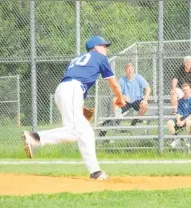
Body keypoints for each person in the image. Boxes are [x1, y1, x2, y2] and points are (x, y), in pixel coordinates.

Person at [20, 36, 126, 180]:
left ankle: (95, 172)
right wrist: (120, 99)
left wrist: (81, 109)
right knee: (74, 131)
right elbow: (114, 85)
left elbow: (74, 81)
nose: (106, 49)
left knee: (86, 133)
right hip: (72, 90)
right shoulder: (100, 58)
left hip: (64, 90)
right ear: (95, 48)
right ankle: (35, 137)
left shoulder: (76, 59)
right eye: (103, 46)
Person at [98, 63, 151, 137]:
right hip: (127, 102)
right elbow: (116, 92)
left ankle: (136, 119)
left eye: (131, 69)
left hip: (137, 100)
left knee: (144, 104)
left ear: (133, 70)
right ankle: (114, 121)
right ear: (125, 71)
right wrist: (123, 96)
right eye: (128, 70)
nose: (129, 71)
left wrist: (145, 99)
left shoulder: (138, 78)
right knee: (115, 102)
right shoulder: (122, 80)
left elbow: (148, 89)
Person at [167, 83, 191, 148]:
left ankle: (188, 139)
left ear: (190, 90)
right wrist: (178, 121)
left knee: (188, 122)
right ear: (182, 91)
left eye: (187, 90)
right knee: (169, 122)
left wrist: (183, 121)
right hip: (182, 119)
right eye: (184, 90)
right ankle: (175, 139)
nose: (186, 91)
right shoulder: (180, 100)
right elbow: (178, 113)